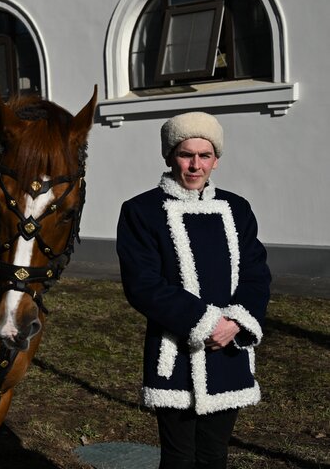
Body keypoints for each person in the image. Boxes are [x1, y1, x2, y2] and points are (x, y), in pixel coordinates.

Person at [116, 112, 272, 469]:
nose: (195, 165)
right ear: (170, 155)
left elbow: (256, 274)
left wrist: (235, 322)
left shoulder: (237, 209)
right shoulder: (141, 211)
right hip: (175, 353)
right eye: (187, 154)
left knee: (215, 455)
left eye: (205, 156)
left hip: (229, 351)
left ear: (216, 160)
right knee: (178, 457)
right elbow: (143, 284)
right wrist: (206, 323)